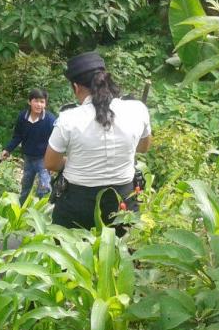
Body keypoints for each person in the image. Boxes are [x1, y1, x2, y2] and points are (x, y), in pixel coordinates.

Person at [44, 52, 151, 232]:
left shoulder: (68, 119)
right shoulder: (137, 109)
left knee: (71, 254)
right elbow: (143, 147)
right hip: (123, 200)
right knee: (124, 254)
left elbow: (51, 163)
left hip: (78, 204)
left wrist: (80, 162)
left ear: (76, 87)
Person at [1, 88, 57, 204]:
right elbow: (17, 136)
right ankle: (21, 210)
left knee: (44, 187)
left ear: (45, 104)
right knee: (25, 186)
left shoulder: (50, 120)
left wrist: (53, 162)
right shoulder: (23, 117)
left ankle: (43, 212)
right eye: (36, 101)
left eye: (42, 102)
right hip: (28, 158)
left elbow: (56, 142)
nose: (39, 104)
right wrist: (7, 150)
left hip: (44, 159)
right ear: (29, 101)